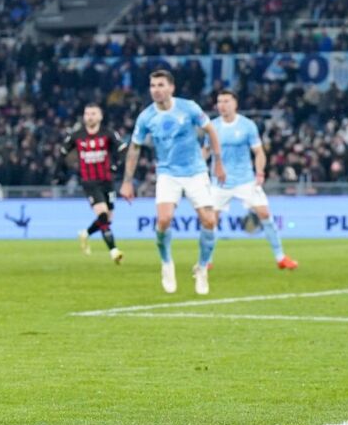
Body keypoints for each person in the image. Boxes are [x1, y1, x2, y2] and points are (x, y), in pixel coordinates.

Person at [119, 70, 226, 295]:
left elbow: (211, 130)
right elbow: (134, 147)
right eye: (152, 86)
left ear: (171, 88)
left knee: (209, 221)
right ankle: (167, 263)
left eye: (160, 85)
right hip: (168, 173)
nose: (156, 90)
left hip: (195, 171)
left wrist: (218, 163)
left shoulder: (189, 108)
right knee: (164, 219)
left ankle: (202, 268)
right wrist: (127, 181)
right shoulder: (146, 117)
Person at [206, 90, 297, 270]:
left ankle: (280, 257)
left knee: (264, 213)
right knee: (210, 220)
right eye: (219, 101)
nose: (222, 105)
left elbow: (259, 152)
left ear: (235, 104)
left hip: (245, 180)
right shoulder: (212, 126)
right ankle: (206, 260)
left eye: (226, 101)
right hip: (220, 181)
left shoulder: (247, 125)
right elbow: (205, 151)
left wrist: (260, 173)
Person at [59, 103, 125, 264]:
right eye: (87, 114)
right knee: (102, 215)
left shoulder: (108, 133)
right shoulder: (77, 135)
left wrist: (116, 165)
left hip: (107, 181)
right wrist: (60, 172)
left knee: (108, 219)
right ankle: (114, 251)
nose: (90, 117)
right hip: (89, 182)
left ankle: (85, 233)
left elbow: (123, 150)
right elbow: (62, 152)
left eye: (93, 113)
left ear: (100, 116)